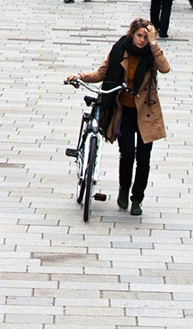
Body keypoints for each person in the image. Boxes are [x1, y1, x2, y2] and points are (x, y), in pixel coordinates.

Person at [66, 18, 171, 217]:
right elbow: (102, 73)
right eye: (139, 36)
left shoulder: (151, 53)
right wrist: (80, 76)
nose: (142, 40)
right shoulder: (120, 50)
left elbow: (165, 68)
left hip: (146, 111)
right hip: (124, 110)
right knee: (128, 154)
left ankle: (137, 198)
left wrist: (154, 43)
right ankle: (124, 189)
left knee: (144, 157)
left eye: (145, 37)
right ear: (132, 34)